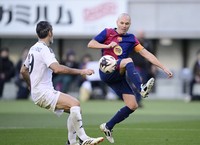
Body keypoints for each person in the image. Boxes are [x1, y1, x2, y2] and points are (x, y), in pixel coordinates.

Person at [87, 13, 173, 143]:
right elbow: (91, 44)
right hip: (106, 71)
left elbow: (146, 54)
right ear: (117, 22)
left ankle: (108, 126)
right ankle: (141, 88)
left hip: (118, 76)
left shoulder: (132, 39)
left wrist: (163, 67)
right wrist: (107, 46)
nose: (124, 26)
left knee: (132, 105)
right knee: (127, 60)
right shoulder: (107, 32)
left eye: (127, 24)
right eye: (122, 23)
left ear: (129, 25)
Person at [20, 21, 104, 145]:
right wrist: (81, 71)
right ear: (50, 32)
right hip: (44, 92)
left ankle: (71, 142)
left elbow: (23, 70)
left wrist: (31, 86)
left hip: (38, 92)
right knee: (75, 103)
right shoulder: (44, 49)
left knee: (75, 109)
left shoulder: (33, 48)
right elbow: (57, 68)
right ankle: (84, 139)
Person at [130, 30, 157, 107]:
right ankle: (134, 101)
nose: (142, 36)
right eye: (140, 34)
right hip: (135, 66)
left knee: (143, 85)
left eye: (143, 34)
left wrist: (153, 65)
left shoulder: (147, 43)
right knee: (137, 83)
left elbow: (151, 54)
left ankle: (138, 101)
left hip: (144, 67)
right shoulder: (134, 43)